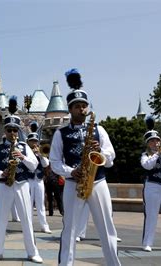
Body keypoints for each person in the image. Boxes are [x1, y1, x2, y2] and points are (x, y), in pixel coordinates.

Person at [49, 69, 120, 266]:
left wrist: (101, 154)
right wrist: (71, 171)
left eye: (84, 106)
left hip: (98, 183)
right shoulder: (60, 133)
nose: (82, 109)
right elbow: (54, 162)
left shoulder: (100, 130)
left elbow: (111, 156)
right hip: (74, 184)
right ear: (69, 109)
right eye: (77, 106)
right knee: (70, 230)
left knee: (107, 229)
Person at [0, 97, 42, 263]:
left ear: (18, 132)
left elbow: (34, 165)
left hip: (22, 185)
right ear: (5, 131)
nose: (12, 133)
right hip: (5, 185)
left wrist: (23, 156)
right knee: (2, 219)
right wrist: (0, 174)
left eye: (14, 130)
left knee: (26, 219)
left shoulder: (25, 147)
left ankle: (32, 252)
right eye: (9, 130)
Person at [140, 117, 161, 252]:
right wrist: (157, 155)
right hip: (153, 186)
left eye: (157, 140)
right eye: (152, 141)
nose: (155, 143)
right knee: (152, 214)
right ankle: (147, 243)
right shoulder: (145, 155)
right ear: (148, 144)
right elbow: (147, 166)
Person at [26, 124, 52, 234]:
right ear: (28, 142)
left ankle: (44, 226)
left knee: (40, 204)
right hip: (29, 180)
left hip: (39, 180)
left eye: (35, 141)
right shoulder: (26, 152)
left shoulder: (40, 152)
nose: (34, 143)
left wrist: (41, 155)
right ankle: (29, 226)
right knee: (29, 204)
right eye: (32, 141)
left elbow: (46, 164)